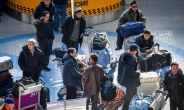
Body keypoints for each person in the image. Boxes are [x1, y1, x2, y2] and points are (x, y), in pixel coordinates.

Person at [117, 44, 141, 110]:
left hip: (123, 79)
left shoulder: (123, 55)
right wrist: (138, 72)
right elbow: (131, 73)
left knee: (130, 95)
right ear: (135, 51)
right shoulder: (132, 61)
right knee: (129, 96)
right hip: (130, 82)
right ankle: (126, 108)